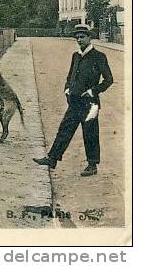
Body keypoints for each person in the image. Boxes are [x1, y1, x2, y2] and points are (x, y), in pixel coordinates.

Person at [33, 24, 114, 176]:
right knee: (64, 129)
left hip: (90, 104)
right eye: (77, 37)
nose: (79, 40)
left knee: (90, 133)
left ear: (89, 38)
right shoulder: (75, 56)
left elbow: (109, 80)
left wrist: (92, 91)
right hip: (75, 101)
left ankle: (92, 165)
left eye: (82, 37)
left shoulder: (99, 56)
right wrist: (67, 89)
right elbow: (70, 76)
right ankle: (52, 158)